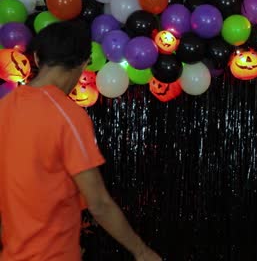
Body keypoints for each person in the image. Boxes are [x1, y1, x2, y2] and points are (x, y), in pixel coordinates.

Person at [0, 21, 161, 261]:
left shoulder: (4, 108)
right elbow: (99, 204)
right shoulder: (67, 115)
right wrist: (142, 252)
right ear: (84, 63)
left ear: (35, 58)